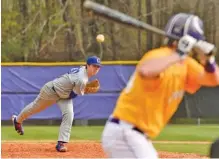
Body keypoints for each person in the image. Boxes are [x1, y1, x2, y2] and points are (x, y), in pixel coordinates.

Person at [101, 13, 219, 159]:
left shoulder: (186, 64)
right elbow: (145, 70)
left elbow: (214, 80)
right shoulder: (159, 55)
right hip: (125, 132)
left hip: (136, 137)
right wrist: (179, 54)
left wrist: (209, 62)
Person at [12, 56, 101, 152]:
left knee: (69, 115)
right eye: (94, 66)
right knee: (34, 108)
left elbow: (71, 92)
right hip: (51, 91)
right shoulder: (81, 79)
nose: (96, 68)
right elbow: (73, 95)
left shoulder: (83, 70)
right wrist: (85, 90)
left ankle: (61, 143)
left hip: (64, 95)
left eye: (98, 67)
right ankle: (17, 120)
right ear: (87, 65)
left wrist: (83, 89)